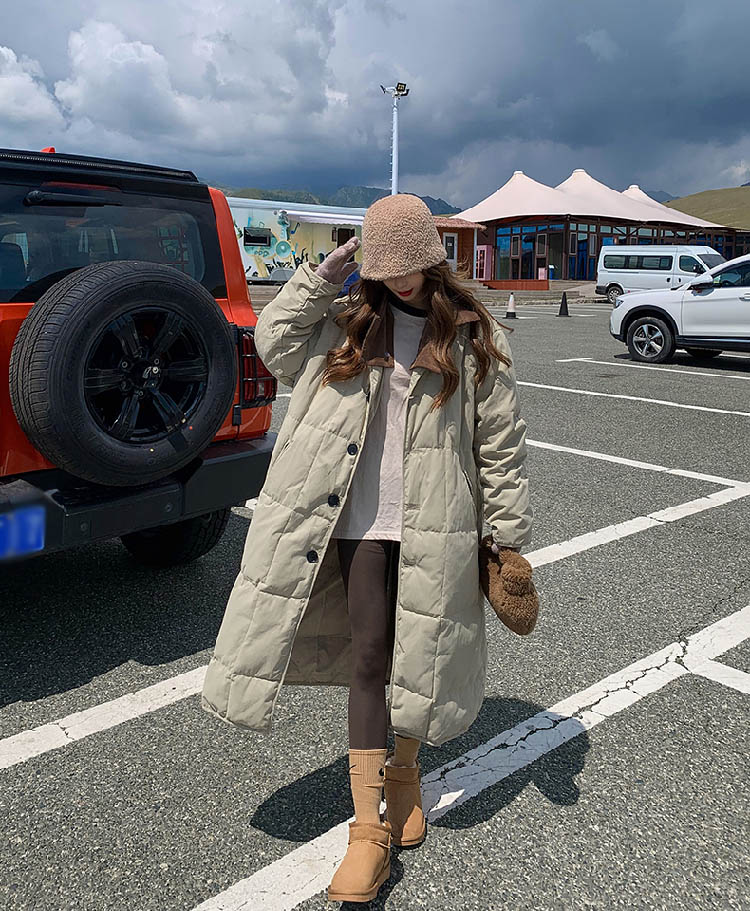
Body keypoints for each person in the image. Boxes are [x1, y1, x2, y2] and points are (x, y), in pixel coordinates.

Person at [201, 194, 533, 904]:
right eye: (386, 266)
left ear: (431, 259)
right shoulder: (346, 319)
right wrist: (319, 278)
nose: (399, 278)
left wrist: (507, 540)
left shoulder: (473, 336)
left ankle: (405, 777)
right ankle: (366, 829)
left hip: (435, 523)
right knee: (370, 659)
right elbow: (272, 344)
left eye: (409, 264)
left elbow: (501, 445)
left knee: (416, 656)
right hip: (354, 518)